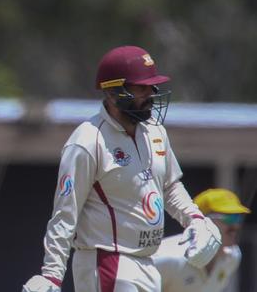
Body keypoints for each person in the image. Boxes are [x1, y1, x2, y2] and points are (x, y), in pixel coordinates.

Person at [22, 45, 222, 292]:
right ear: (114, 91)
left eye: (152, 86)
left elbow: (169, 186)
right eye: (141, 87)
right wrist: (52, 274)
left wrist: (194, 219)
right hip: (107, 263)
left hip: (148, 262)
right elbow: (65, 214)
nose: (151, 93)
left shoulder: (155, 132)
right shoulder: (87, 141)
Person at [153, 188, 251, 292]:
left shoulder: (232, 257)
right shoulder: (168, 257)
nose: (236, 225)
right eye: (229, 218)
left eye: (238, 217)